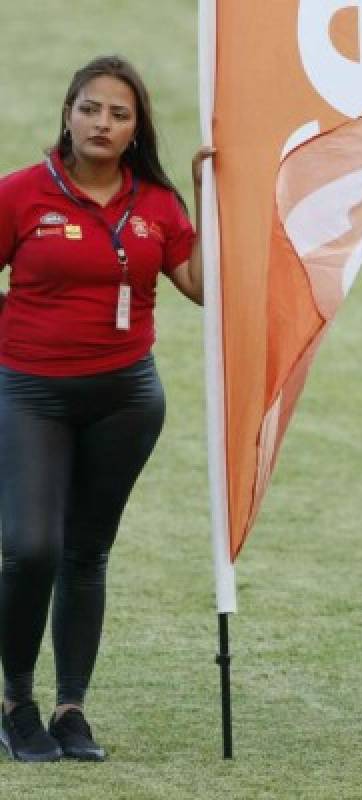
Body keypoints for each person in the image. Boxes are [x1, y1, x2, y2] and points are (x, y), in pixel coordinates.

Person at [0, 55, 213, 762]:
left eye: (119, 114)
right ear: (68, 113)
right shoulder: (22, 194)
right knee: (30, 548)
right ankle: (15, 704)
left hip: (126, 397)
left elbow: (203, 287)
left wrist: (207, 197)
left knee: (86, 552)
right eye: (91, 108)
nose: (102, 122)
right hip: (30, 392)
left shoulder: (156, 202)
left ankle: (70, 710)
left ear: (135, 129)